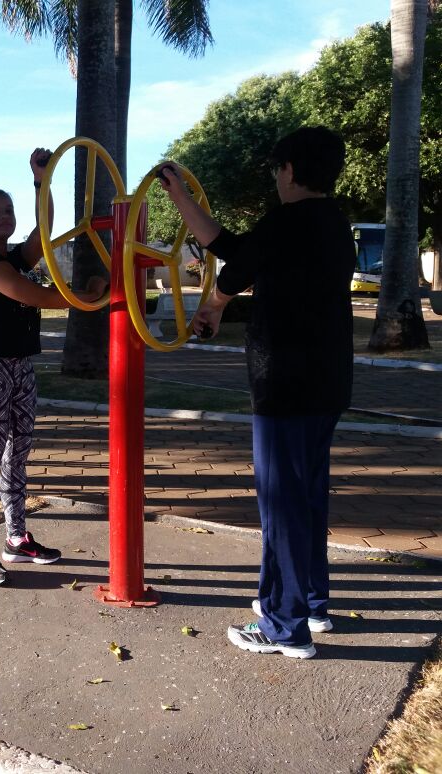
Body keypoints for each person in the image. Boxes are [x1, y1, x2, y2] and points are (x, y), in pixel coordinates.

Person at [159, 126, 354, 658]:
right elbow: (232, 247)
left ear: (288, 170)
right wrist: (182, 198)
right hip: (327, 383)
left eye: (276, 169)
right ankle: (310, 603)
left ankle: (283, 626)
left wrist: (213, 304)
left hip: (284, 385)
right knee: (306, 497)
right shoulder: (333, 223)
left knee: (282, 505)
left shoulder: (287, 220)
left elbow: (237, 269)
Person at [0, 147, 107, 586]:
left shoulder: (12, 259)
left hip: (20, 366)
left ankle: (17, 538)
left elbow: (44, 232)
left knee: (19, 453)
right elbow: (37, 296)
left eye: (7, 210)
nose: (2, 217)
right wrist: (90, 296)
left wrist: (41, 183)